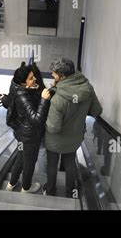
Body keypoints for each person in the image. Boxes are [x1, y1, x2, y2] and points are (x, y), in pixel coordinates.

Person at [43, 58, 103, 198]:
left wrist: (43, 121)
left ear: (62, 76)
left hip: (55, 140)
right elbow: (97, 111)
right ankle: (71, 191)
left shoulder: (57, 98)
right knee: (70, 162)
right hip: (75, 137)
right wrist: (79, 113)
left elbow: (54, 128)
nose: (52, 75)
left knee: (52, 164)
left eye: (54, 74)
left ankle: (50, 190)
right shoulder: (88, 88)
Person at [3, 64, 51, 194]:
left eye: (33, 76)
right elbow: (36, 120)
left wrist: (33, 88)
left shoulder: (17, 88)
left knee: (21, 157)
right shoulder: (24, 97)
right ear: (23, 83)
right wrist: (44, 100)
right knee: (30, 162)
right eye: (31, 78)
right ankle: (26, 187)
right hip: (30, 136)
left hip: (21, 133)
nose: (34, 79)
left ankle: (12, 183)